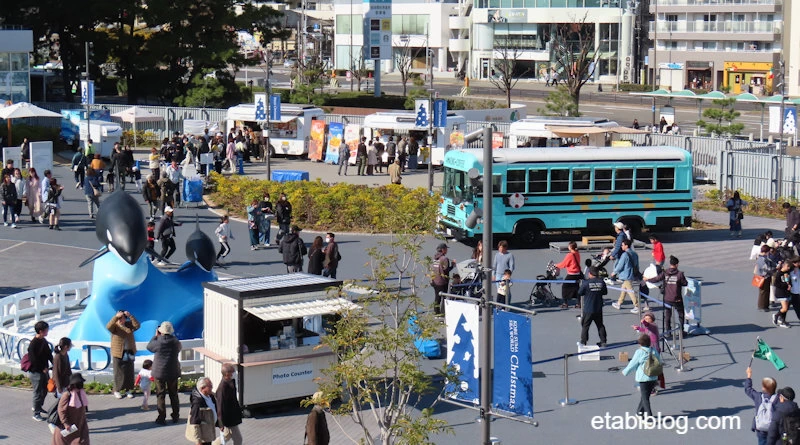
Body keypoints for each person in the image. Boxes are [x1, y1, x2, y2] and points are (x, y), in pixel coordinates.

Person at [147, 321, 183, 425]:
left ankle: (162, 417)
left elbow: (149, 347)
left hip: (159, 372)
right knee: (174, 395)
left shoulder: (158, 341)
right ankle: (175, 416)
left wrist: (155, 336)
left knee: (160, 395)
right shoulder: (175, 341)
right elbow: (179, 348)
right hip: (173, 372)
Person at [647, 255, 688, 337]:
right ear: (677, 265)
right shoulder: (680, 274)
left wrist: (647, 279)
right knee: (680, 314)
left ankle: (668, 332)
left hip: (667, 298)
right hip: (677, 298)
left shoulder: (665, 272)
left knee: (668, 315)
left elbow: (657, 279)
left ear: (670, 264)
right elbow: (685, 283)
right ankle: (681, 331)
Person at [621, 334, 661, 419]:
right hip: (653, 376)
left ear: (640, 344)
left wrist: (625, 371)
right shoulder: (653, 350)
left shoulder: (639, 352)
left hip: (643, 378)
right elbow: (659, 361)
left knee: (645, 398)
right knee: (645, 396)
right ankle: (639, 413)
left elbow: (633, 363)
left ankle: (649, 417)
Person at [106, 310, 141, 399]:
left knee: (129, 371)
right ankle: (117, 390)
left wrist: (130, 316)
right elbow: (108, 326)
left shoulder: (129, 324)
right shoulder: (114, 326)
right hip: (118, 352)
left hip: (129, 350)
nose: (122, 320)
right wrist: (116, 317)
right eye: (120, 318)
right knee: (118, 372)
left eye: (123, 318)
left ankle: (129, 390)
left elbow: (137, 326)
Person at [50, 373, 90, 445]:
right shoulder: (67, 395)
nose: (80, 386)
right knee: (63, 442)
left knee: (82, 441)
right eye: (79, 384)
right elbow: (61, 410)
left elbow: (83, 409)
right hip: (68, 427)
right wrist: (65, 423)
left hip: (80, 425)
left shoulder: (81, 394)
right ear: (74, 385)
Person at [745, 366, 778, 445]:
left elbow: (748, 389)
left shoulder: (758, 396)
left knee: (762, 442)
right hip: (773, 429)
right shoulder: (778, 398)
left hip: (761, 430)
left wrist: (749, 375)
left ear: (765, 388)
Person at [578, 267, 608, 347]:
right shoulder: (601, 282)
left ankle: (583, 341)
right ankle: (603, 341)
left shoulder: (586, 283)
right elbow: (605, 292)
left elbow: (580, 292)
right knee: (600, 325)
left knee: (585, 325)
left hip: (588, 308)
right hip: (598, 308)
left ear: (590, 274)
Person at [29, 320, 52, 421]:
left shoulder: (43, 341)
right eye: (46, 330)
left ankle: (39, 406)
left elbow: (48, 354)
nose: (48, 331)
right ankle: (36, 412)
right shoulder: (33, 344)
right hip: (36, 372)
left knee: (45, 389)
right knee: (37, 392)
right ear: (41, 331)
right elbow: (33, 359)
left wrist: (54, 363)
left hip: (44, 371)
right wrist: (42, 368)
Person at [611, 239, 642, 313]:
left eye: (622, 245)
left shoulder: (625, 255)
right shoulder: (634, 253)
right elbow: (637, 264)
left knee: (630, 290)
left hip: (626, 274)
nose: (621, 246)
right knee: (623, 289)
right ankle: (619, 303)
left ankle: (637, 306)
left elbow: (620, 265)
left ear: (626, 246)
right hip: (632, 274)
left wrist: (614, 272)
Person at [216, 363, 243, 445]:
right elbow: (219, 407)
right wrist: (220, 423)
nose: (234, 374)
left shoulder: (230, 382)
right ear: (227, 374)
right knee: (238, 439)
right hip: (228, 419)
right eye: (233, 372)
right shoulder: (223, 388)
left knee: (227, 436)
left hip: (231, 417)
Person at [186, 377, 218, 445]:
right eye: (210, 386)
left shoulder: (211, 396)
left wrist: (220, 424)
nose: (212, 388)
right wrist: (198, 441)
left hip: (209, 433)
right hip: (203, 438)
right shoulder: (197, 403)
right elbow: (194, 422)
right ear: (202, 388)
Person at [555, 241, 582, 309]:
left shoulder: (570, 255)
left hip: (572, 274)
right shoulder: (577, 253)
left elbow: (564, 264)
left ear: (570, 247)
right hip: (578, 273)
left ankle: (565, 303)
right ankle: (579, 303)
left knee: (564, 287)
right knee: (576, 288)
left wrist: (556, 265)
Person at [431, 243, 456, 315]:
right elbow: (446, 270)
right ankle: (442, 312)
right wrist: (453, 265)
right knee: (444, 297)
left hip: (434, 280)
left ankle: (436, 311)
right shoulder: (444, 259)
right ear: (443, 250)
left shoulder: (435, 257)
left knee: (437, 297)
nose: (447, 250)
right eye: (446, 249)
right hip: (442, 281)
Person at [772, 259, 792, 328]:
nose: (789, 268)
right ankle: (776, 316)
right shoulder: (779, 274)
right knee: (785, 308)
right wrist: (786, 285)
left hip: (786, 292)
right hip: (781, 293)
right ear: (784, 265)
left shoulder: (787, 272)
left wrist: (789, 285)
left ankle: (782, 320)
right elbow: (776, 284)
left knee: (785, 308)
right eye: (788, 266)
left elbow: (789, 281)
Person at [756, 245, 776, 312]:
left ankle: (764, 305)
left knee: (764, 291)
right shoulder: (762, 258)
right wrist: (775, 268)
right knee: (764, 292)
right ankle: (763, 306)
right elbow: (766, 268)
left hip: (763, 276)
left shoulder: (760, 257)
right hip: (764, 277)